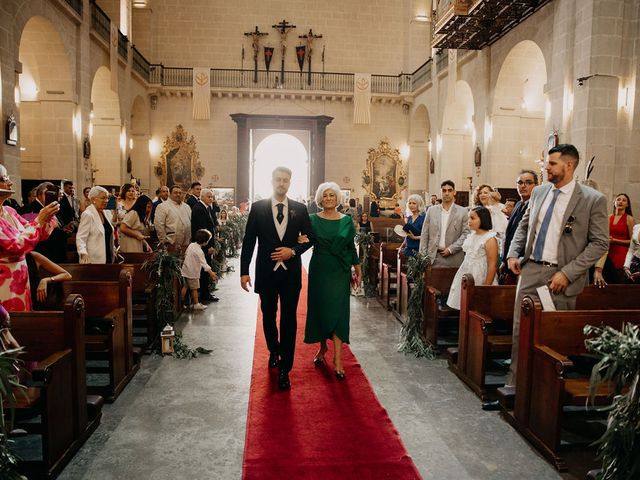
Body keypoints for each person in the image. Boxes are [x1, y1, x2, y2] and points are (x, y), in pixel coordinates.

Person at [505, 144, 608, 388]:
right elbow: (524, 225)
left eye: (551, 163)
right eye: (546, 163)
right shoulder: (540, 192)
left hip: (560, 277)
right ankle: (515, 386)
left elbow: (600, 243)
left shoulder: (592, 199)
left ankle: (545, 393)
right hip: (531, 270)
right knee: (521, 330)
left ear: (569, 165)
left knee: (551, 335)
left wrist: (568, 272)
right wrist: (512, 254)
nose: (546, 167)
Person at [240, 166, 314, 390]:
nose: (282, 183)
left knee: (289, 319)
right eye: (278, 180)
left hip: (291, 273)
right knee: (268, 315)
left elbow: (310, 238)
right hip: (265, 271)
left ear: (290, 183)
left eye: (285, 180)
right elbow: (249, 241)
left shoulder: (300, 209)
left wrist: (293, 251)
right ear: (272, 181)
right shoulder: (258, 207)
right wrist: (244, 271)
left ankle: (285, 368)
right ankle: (273, 349)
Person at [303, 182, 361, 380]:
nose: (328, 198)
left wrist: (358, 268)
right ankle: (322, 348)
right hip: (320, 268)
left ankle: (338, 358)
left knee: (339, 312)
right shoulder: (311, 219)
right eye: (325, 195)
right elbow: (303, 240)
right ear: (320, 199)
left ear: (338, 198)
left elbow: (351, 247)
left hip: (340, 270)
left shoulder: (346, 220)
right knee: (320, 310)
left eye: (332, 195)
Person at [0, 166, 59, 311]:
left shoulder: (9, 211)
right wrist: (39, 219)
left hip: (21, 280)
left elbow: (38, 234)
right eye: (4, 178)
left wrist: (47, 217)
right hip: (4, 283)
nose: (10, 183)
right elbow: (16, 245)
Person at [447, 207, 498, 310]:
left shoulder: (490, 238)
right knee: (463, 304)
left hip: (480, 274)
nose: (469, 221)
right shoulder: (471, 236)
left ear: (482, 219)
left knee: (477, 306)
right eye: (469, 218)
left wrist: (486, 288)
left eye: (472, 218)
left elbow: (492, 264)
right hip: (467, 271)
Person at [499, 170, 538, 285]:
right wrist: (505, 260)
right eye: (520, 183)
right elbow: (510, 234)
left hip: (524, 262)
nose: (523, 186)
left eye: (528, 182)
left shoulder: (537, 206)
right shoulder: (517, 205)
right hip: (511, 260)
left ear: (536, 185)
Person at [418, 180, 470, 267]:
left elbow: (466, 234)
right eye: (444, 190)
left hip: (454, 257)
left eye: (449, 190)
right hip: (433, 257)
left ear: (454, 192)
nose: (446, 193)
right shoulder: (431, 210)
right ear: (440, 192)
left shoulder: (463, 211)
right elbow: (424, 234)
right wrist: (423, 256)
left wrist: (451, 249)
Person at [191, 188, 220, 303]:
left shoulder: (206, 208)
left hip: (206, 243)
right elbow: (203, 230)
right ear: (202, 197)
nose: (211, 199)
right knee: (204, 270)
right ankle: (204, 294)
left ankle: (205, 292)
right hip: (203, 244)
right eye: (209, 196)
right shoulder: (199, 209)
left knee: (205, 270)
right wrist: (208, 247)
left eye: (212, 197)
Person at [76, 186, 116, 264]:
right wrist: (82, 252)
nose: (106, 201)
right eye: (103, 198)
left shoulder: (106, 213)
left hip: (109, 257)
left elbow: (108, 234)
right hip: (93, 260)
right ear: (93, 199)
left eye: (107, 198)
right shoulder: (88, 214)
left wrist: (113, 248)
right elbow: (81, 238)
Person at [181, 229, 218, 311]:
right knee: (194, 288)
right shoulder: (199, 251)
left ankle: (181, 303)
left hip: (185, 269)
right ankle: (196, 304)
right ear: (205, 242)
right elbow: (204, 264)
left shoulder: (191, 245)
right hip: (193, 272)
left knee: (185, 286)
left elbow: (186, 254)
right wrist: (211, 273)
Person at [605, 193, 635, 283]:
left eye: (624, 200)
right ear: (614, 202)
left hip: (622, 256)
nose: (620, 202)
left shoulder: (629, 219)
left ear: (627, 204)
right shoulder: (608, 217)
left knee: (618, 283)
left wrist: (615, 241)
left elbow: (634, 242)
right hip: (607, 253)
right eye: (618, 199)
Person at [154, 185, 192, 252]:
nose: (178, 194)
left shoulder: (187, 207)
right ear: (170, 194)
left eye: (180, 193)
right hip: (171, 243)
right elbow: (159, 225)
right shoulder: (162, 206)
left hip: (186, 244)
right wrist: (164, 241)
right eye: (175, 192)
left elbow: (191, 222)